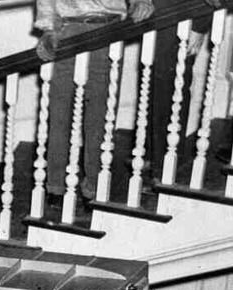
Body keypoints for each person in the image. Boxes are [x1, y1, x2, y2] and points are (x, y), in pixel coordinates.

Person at [33, 0, 153, 210]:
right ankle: (55, 186)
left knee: (100, 115)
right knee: (59, 113)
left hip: (109, 28)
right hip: (68, 29)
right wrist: (48, 29)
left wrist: (141, 2)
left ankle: (93, 187)